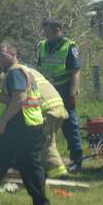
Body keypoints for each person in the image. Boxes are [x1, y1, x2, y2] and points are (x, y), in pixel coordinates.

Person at [0, 42, 49, 205]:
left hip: (21, 127)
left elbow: (19, 99)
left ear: (13, 55)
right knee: (0, 162)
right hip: (27, 125)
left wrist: (2, 121)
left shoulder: (15, 72)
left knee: (26, 165)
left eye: (3, 55)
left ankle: (41, 202)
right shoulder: (20, 71)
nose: (0, 58)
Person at [38, 19, 83, 169]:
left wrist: (72, 93)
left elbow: (75, 71)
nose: (45, 34)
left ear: (57, 29)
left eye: (47, 31)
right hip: (47, 91)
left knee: (69, 124)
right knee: (44, 125)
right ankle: (44, 159)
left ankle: (76, 159)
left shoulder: (69, 46)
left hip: (64, 88)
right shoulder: (43, 45)